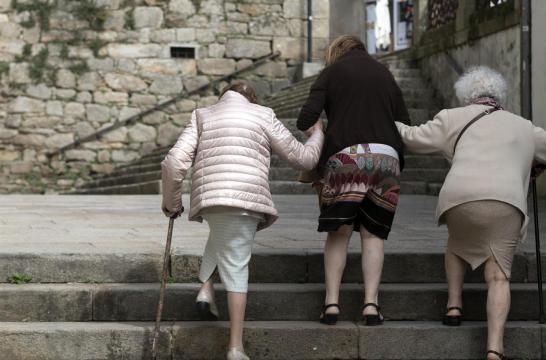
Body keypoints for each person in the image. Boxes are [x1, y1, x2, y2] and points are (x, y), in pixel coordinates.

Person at [395, 66, 546, 360]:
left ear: (466, 96)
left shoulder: (452, 117)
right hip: (505, 201)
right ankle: (494, 348)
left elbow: (412, 137)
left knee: (456, 244)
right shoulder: (523, 125)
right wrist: (532, 161)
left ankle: (453, 305)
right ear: (500, 96)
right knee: (498, 276)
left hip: (459, 199)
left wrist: (388, 120)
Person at [161, 82, 324, 360]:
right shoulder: (263, 114)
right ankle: (235, 348)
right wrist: (318, 134)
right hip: (246, 197)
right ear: (252, 98)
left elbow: (175, 162)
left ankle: (206, 289)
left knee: (223, 235)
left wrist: (172, 204)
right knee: (237, 264)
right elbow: (303, 159)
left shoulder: (202, 114)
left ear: (223, 96)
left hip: (211, 199)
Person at [296, 35, 411, 326]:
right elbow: (405, 124)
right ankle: (371, 305)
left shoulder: (331, 72)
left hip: (347, 157)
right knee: (373, 235)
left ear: (336, 52)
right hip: (386, 159)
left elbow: (305, 117)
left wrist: (319, 129)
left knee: (340, 232)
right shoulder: (384, 74)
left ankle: (331, 304)